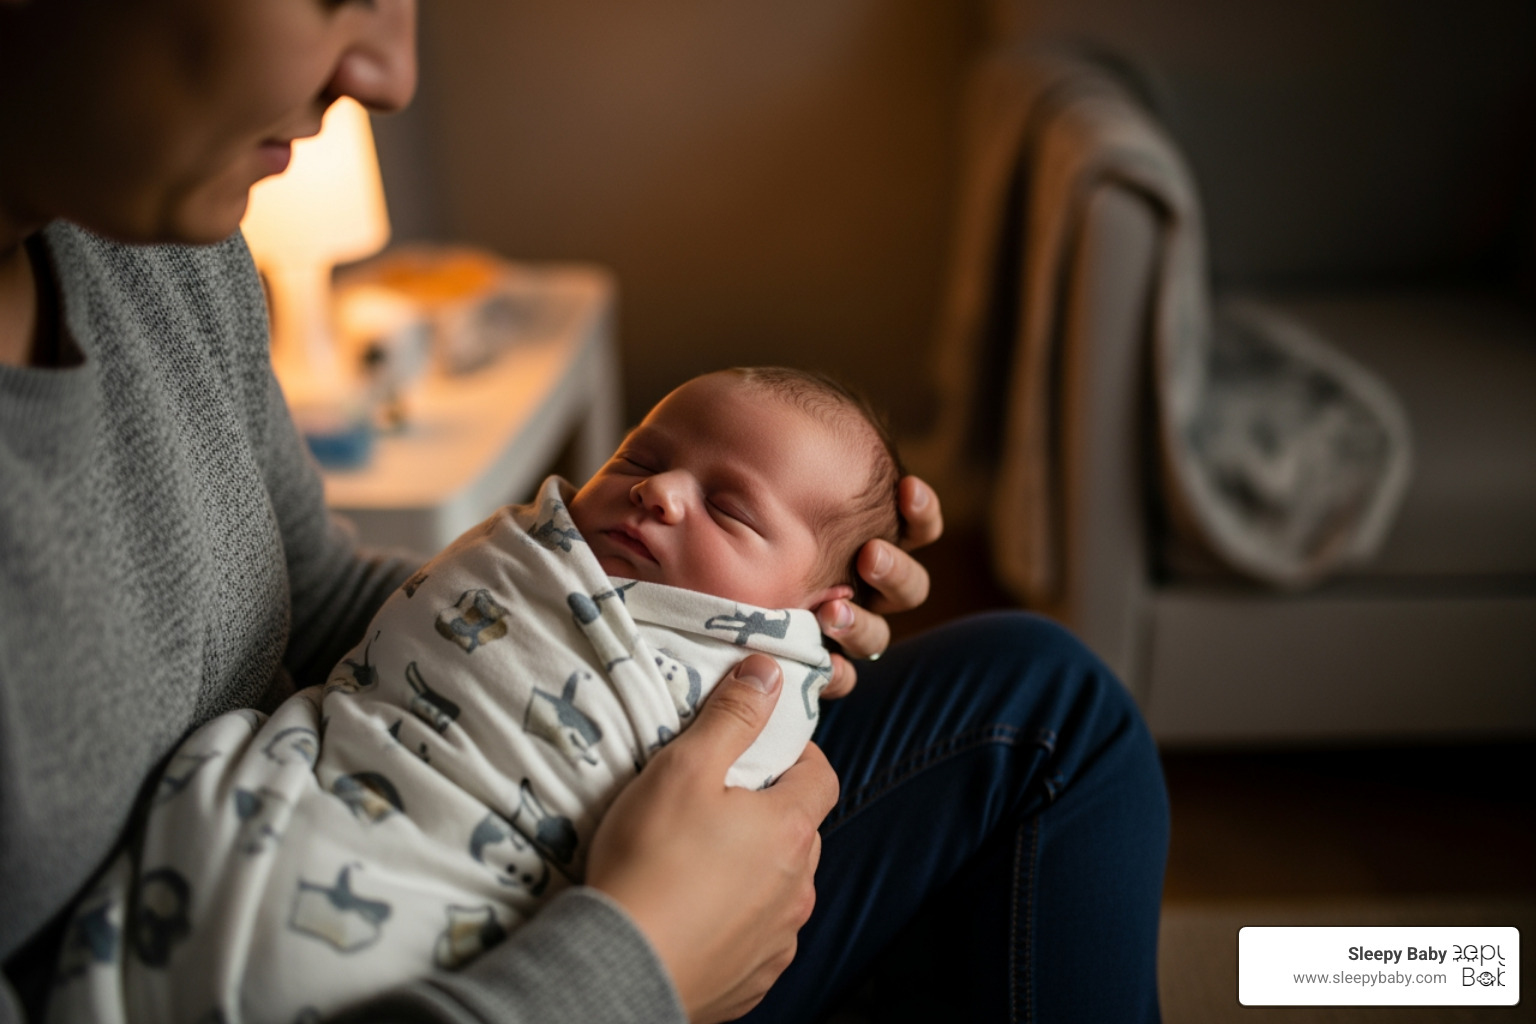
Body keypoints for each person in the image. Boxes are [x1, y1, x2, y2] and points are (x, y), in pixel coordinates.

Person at [0, 1, 1169, 1022]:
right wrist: (646, 955)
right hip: (439, 962)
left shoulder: (150, 249)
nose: (391, 75)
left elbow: (295, 590)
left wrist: (658, 618)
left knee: (1047, 702)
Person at [43, 366, 906, 1023]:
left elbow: (311, 585)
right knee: (1031, 706)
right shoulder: (536, 551)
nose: (658, 490)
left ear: (813, 609)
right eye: (639, 457)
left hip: (494, 876)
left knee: (1029, 664)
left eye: (731, 509)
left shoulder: (760, 666)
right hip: (555, 942)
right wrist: (649, 955)